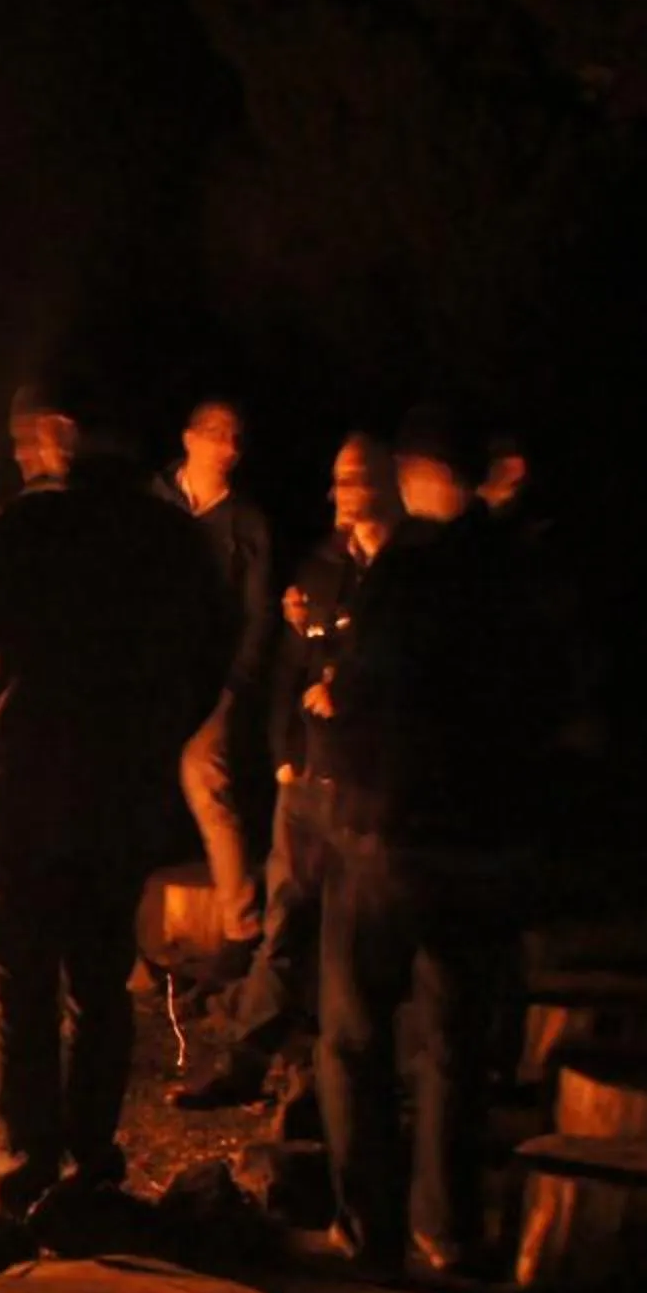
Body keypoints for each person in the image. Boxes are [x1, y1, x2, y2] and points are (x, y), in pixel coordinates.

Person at [0, 383, 231, 1217]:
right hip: (118, 794)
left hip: (18, 789)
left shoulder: (19, 529)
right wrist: (150, 741)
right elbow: (211, 657)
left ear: (67, 437)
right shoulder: (175, 543)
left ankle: (26, 1168)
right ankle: (91, 1162)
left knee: (20, 987)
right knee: (99, 984)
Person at [310, 407, 565, 1274]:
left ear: (422, 474)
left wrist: (336, 737)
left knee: (355, 1036)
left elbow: (368, 696)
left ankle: (367, 1224)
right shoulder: (520, 571)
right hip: (486, 841)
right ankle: (446, 1228)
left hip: (396, 839)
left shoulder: (409, 571)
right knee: (456, 1043)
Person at [177, 433, 398, 1107]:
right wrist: (280, 755)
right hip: (303, 779)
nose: (342, 492)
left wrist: (349, 690)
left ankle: (341, 1087)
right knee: (283, 922)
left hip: (365, 788)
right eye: (337, 479)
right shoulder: (322, 568)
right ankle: (247, 1063)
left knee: (351, 944)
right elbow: (288, 669)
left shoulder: (406, 577)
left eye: (357, 478)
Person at [153, 399, 277, 976]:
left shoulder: (246, 524)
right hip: (152, 675)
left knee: (206, 773)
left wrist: (235, 691)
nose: (228, 448)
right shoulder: (156, 503)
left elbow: (258, 617)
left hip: (215, 681)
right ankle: (125, 938)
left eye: (236, 439)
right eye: (217, 436)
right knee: (128, 790)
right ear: (189, 438)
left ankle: (239, 926)